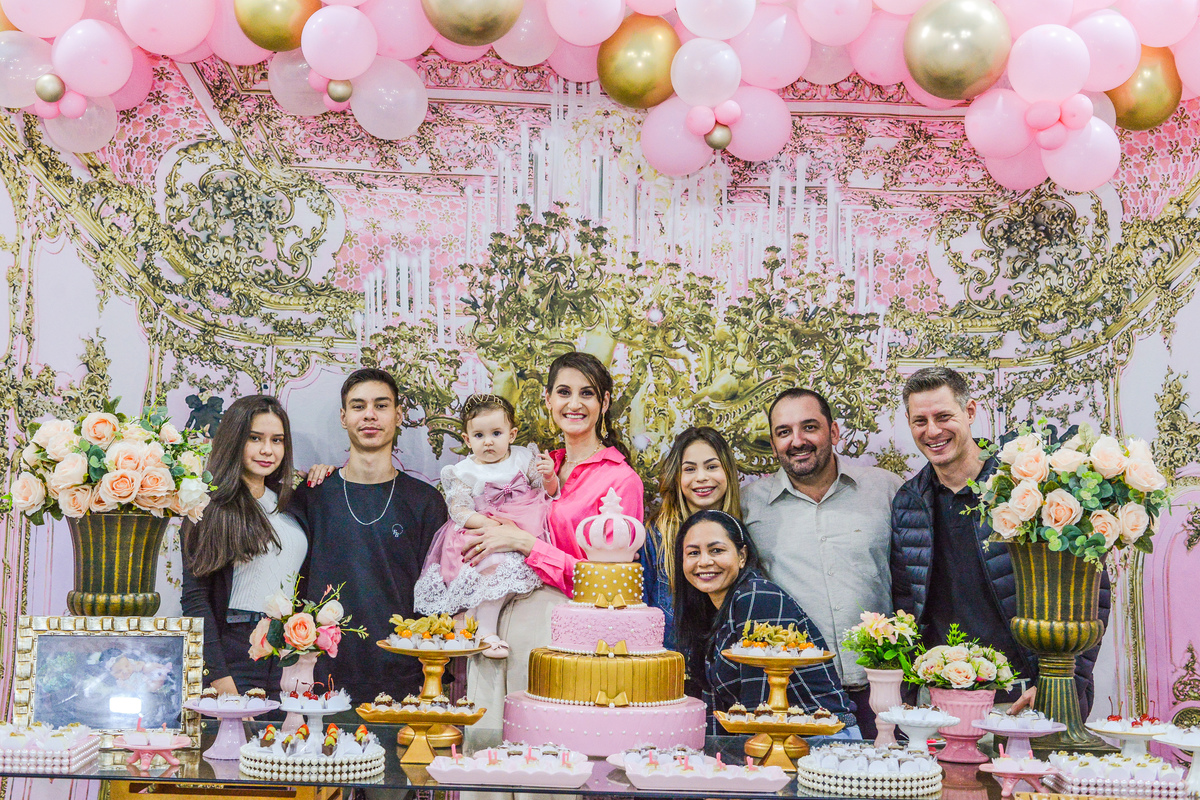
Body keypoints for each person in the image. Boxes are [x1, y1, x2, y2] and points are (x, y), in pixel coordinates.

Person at [890, 366, 1110, 714]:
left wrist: (1063, 684)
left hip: (1029, 696)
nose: (932, 431)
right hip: (941, 702)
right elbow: (904, 604)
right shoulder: (908, 501)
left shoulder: (1030, 486)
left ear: (971, 411)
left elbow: (1088, 592)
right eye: (920, 421)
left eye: (943, 416)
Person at [463, 351, 644, 736]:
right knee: (483, 740)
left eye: (588, 394)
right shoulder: (533, 467)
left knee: (540, 751)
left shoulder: (620, 480)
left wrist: (526, 544)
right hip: (493, 615)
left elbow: (611, 587)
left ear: (605, 402)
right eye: (564, 392)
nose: (574, 404)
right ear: (547, 399)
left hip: (558, 626)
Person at [741, 388, 901, 739]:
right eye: (784, 432)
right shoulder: (748, 505)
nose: (797, 441)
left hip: (884, 691)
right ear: (773, 443)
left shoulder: (887, 489)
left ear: (834, 432)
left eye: (809, 427)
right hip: (797, 696)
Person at [288, 368, 448, 702]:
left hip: (403, 677)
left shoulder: (425, 501)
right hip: (319, 675)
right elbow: (293, 583)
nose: (370, 415)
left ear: (398, 415)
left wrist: (432, 674)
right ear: (344, 417)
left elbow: (438, 596)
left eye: (381, 405)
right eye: (358, 406)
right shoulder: (314, 494)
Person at [673, 510, 858, 736]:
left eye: (717, 550)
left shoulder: (756, 597)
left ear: (742, 556)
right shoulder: (711, 608)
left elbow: (760, 709)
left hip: (823, 743)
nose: (704, 562)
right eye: (693, 553)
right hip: (775, 739)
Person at [412, 394, 558, 658]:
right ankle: (487, 633)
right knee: (495, 568)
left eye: (496, 433)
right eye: (479, 435)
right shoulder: (464, 471)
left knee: (514, 577)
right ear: (467, 440)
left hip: (524, 524)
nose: (488, 441)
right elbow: (459, 510)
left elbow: (544, 491)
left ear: (512, 434)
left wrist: (549, 476)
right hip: (483, 532)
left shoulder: (524, 457)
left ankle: (469, 617)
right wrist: (489, 526)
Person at [182, 395, 307, 695]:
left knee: (286, 741)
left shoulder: (293, 503)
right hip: (235, 654)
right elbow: (195, 600)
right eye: (255, 438)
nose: (268, 450)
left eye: (277, 440)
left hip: (288, 654)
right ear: (235, 440)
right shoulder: (208, 506)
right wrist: (221, 681)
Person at [640, 426, 743, 650]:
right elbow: (638, 615)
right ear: (677, 477)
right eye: (690, 469)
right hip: (673, 670)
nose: (702, 478)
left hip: (733, 672)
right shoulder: (656, 537)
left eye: (712, 466)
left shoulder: (744, 530)